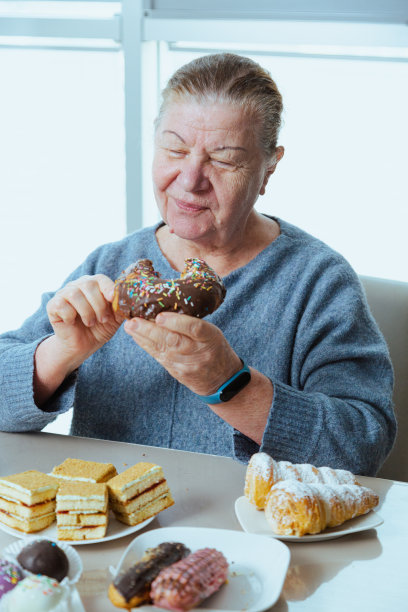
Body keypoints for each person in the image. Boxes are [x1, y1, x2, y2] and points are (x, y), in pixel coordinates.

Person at [0, 53, 395, 475]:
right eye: (174, 148)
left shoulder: (317, 282)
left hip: (247, 533)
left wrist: (231, 385)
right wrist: (60, 353)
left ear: (269, 167)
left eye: (224, 159)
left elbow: (362, 444)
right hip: (110, 530)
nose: (190, 179)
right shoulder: (111, 264)